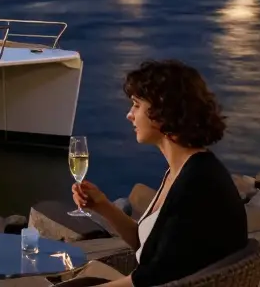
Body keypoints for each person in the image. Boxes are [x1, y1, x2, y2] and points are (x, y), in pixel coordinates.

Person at [64, 60, 247, 287]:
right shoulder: (185, 169)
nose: (129, 115)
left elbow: (152, 278)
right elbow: (148, 247)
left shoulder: (197, 184)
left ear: (162, 111)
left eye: (136, 105)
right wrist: (102, 206)